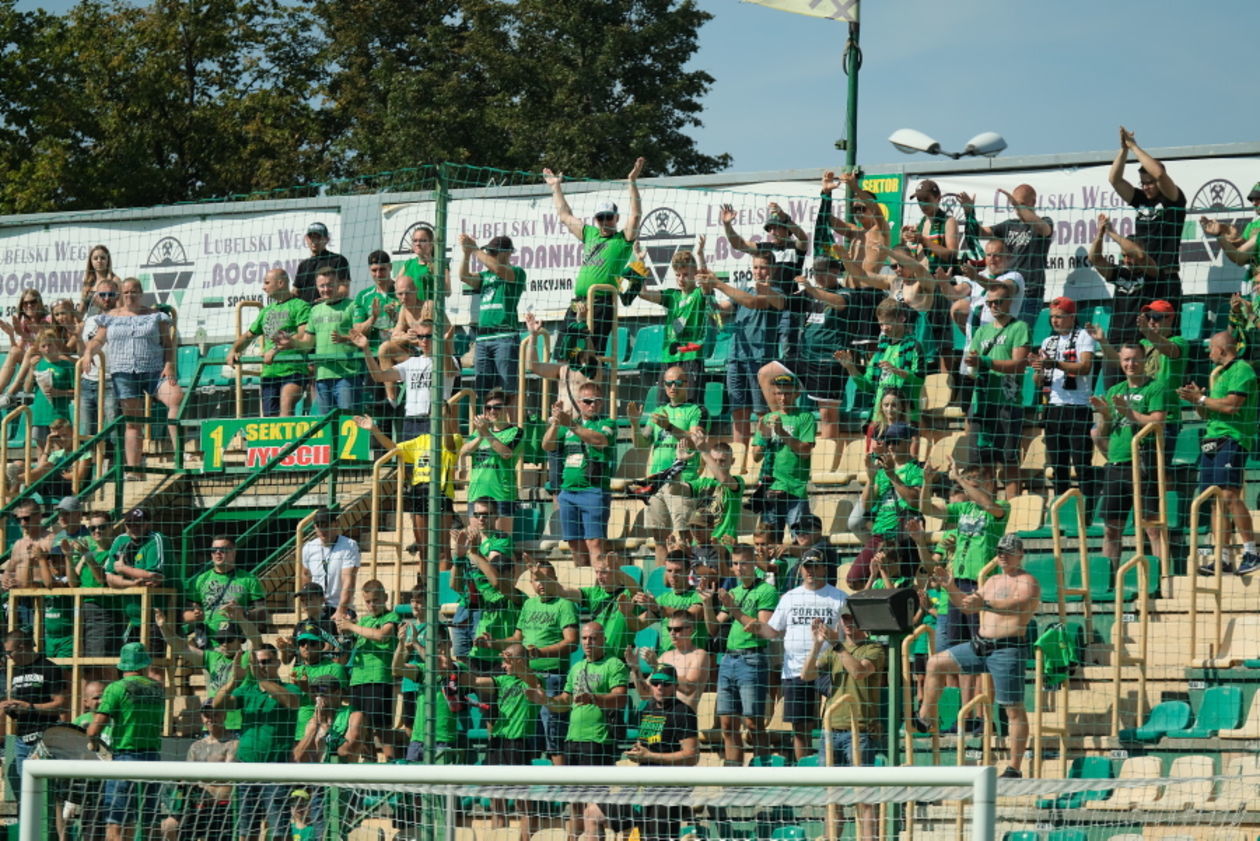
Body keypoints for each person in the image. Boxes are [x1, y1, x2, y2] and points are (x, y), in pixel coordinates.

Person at [918, 534, 1039, 779]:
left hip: (1008, 648)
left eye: (1008, 552)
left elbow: (1017, 605)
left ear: (1020, 554)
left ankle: (1014, 766)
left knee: (1012, 708)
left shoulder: (1028, 582)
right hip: (979, 645)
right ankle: (926, 717)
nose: (1003, 556)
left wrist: (983, 603)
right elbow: (965, 605)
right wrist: (950, 585)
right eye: (1000, 552)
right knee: (935, 662)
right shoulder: (992, 580)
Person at [723, 554, 846, 761]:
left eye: (816, 567)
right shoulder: (790, 597)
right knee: (800, 727)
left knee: (836, 722)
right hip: (795, 669)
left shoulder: (839, 597)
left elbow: (847, 633)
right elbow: (772, 632)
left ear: (825, 569)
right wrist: (755, 626)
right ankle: (804, 774)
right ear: (801, 570)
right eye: (807, 567)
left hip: (829, 668)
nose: (811, 571)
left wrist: (833, 638)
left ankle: (834, 768)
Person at [582, 663, 698, 841]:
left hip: (667, 790)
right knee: (593, 813)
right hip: (642, 786)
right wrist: (638, 751)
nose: (660, 687)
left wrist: (650, 756)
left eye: (666, 684)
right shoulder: (647, 709)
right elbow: (646, 743)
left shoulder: (683, 713)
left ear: (675, 686)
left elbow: (691, 756)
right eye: (656, 682)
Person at [542, 158, 644, 354]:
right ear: (596, 219)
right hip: (579, 302)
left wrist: (632, 182)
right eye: (601, 217)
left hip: (601, 304)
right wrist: (555, 187)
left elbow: (636, 215)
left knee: (589, 356)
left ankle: (591, 383)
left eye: (609, 216)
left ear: (616, 218)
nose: (605, 221)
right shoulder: (590, 233)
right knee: (564, 355)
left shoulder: (622, 239)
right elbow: (565, 216)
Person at [1177, 332, 1260, 575]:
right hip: (1211, 440)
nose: (1208, 353)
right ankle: (1222, 558)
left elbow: (1232, 405)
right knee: (1215, 500)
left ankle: (1252, 551)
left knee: (1229, 495)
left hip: (1232, 439)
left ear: (1222, 349)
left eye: (1211, 348)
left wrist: (1201, 398)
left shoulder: (1242, 369)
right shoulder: (1219, 374)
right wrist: (1197, 402)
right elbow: (1209, 413)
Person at [82, 277, 183, 474]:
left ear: (141, 293)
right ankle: (134, 469)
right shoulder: (110, 317)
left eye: (134, 291)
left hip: (153, 370)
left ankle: (179, 453)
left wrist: (169, 365)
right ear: (121, 294)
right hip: (124, 373)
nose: (130, 295)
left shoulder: (155, 316)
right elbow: (98, 341)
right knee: (132, 423)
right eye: (126, 292)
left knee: (176, 397)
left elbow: (167, 343)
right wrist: (87, 354)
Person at [483, 560, 578, 765]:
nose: (540, 584)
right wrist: (494, 643)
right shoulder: (529, 604)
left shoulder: (564, 605)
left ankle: (561, 791)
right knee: (527, 735)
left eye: (544, 578)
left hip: (551, 677)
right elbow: (518, 639)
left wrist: (541, 653)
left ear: (555, 580)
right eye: (535, 579)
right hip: (523, 679)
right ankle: (528, 790)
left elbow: (572, 642)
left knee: (553, 736)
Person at [802, 613, 884, 841]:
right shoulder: (833, 651)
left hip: (859, 730)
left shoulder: (873, 649)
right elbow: (806, 674)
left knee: (864, 797)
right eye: (845, 620)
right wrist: (816, 645)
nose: (848, 624)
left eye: (853, 619)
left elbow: (858, 672)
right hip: (830, 729)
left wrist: (836, 644)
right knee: (831, 798)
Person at [1090, 343, 1168, 576]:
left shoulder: (1155, 388)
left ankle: (1161, 577)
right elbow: (1104, 432)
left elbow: (1157, 422)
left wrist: (1128, 412)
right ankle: (1108, 579)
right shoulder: (1116, 389)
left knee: (1152, 528)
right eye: (1125, 360)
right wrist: (1104, 415)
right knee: (1111, 529)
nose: (1130, 364)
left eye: (1135, 359)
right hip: (1117, 464)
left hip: (1144, 464)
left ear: (1144, 361)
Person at [212, 645, 300, 841]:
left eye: (266, 662)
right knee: (246, 831)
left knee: (279, 831)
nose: (261, 666)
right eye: (258, 662)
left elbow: (292, 702)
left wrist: (261, 678)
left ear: (277, 663)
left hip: (275, 768)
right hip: (246, 767)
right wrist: (234, 680)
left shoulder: (290, 688)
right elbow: (217, 705)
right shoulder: (247, 690)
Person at [628, 365, 708, 568]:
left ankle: (688, 579)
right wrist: (635, 424)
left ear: (687, 384)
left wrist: (669, 427)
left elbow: (694, 441)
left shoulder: (696, 410)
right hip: (657, 480)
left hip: (681, 479)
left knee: (683, 536)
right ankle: (663, 580)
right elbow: (641, 443)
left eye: (678, 382)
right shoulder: (657, 412)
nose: (673, 387)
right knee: (659, 538)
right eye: (668, 383)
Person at [760, 256, 849, 438]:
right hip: (804, 358)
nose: (818, 276)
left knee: (827, 415)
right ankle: (783, 423)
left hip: (829, 361)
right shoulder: (809, 293)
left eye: (822, 272)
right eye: (815, 272)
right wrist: (768, 291)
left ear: (835, 271)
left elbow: (839, 303)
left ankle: (830, 463)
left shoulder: (845, 293)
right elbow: (783, 303)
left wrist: (811, 288)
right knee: (766, 373)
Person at [354, 411, 462, 560]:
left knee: (442, 549)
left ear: (449, 415)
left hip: (440, 492)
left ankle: (443, 583)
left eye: (443, 412)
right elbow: (394, 448)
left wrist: (444, 419)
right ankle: (425, 583)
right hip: (420, 492)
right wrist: (375, 430)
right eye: (436, 412)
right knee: (423, 549)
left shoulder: (454, 437)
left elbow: (450, 446)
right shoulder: (420, 440)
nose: (438, 416)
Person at [703, 254, 785, 443]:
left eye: (763, 267)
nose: (758, 272)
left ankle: (763, 454)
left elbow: (752, 302)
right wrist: (707, 290)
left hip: (760, 360)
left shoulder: (776, 292)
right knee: (738, 411)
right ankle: (740, 457)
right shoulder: (743, 288)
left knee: (762, 412)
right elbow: (722, 309)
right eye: (755, 267)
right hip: (735, 358)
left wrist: (718, 284)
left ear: (773, 269)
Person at [88, 643, 166, 841]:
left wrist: (93, 742)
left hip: (125, 758)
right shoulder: (158, 688)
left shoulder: (116, 688)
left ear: (123, 665)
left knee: (117, 821)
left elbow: (95, 728)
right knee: (150, 821)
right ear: (144, 664)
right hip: (153, 759)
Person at [710, 544, 778, 766]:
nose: (739, 568)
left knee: (753, 722)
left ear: (754, 564)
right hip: (728, 659)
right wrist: (704, 602)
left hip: (752, 659)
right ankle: (734, 779)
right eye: (735, 563)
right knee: (727, 724)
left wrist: (734, 610)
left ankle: (762, 774)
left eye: (744, 563)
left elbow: (762, 628)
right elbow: (713, 628)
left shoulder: (766, 591)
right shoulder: (734, 593)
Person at [963, 282, 1030, 499]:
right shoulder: (982, 331)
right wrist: (972, 363)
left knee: (1009, 459)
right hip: (982, 401)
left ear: (1009, 301)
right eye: (989, 303)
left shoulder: (1019, 327)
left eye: (998, 302)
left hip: (1007, 402)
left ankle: (1012, 514)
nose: (993, 306)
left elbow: (1019, 364)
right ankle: (989, 511)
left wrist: (986, 362)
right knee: (983, 461)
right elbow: (971, 368)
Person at [1107, 127, 1186, 310]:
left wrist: (1134, 147)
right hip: (1143, 277)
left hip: (1165, 277)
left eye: (1150, 183)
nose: (1146, 187)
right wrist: (1124, 149)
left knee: (1167, 333)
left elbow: (1158, 173)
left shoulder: (1173, 199)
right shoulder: (1141, 199)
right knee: (1143, 332)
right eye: (1143, 183)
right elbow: (1114, 180)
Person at [542, 382, 616, 569]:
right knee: (575, 544)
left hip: (593, 490)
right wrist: (556, 422)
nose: (592, 405)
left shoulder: (606, 423)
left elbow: (599, 440)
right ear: (578, 402)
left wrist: (571, 425)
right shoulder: (566, 426)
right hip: (568, 492)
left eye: (597, 401)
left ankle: (599, 585)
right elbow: (547, 445)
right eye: (587, 401)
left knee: (595, 543)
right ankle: (581, 582)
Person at [1031, 297, 1095, 498]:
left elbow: (1085, 367)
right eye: (1052, 317)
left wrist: (1055, 364)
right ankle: (1061, 509)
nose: (1055, 321)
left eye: (1059, 317)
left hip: (1078, 407)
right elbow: (1039, 381)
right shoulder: (1048, 341)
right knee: (1058, 465)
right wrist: (1039, 369)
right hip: (1054, 408)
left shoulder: (1084, 336)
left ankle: (1087, 509)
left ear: (1071, 316)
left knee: (1081, 463)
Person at [848, 423, 923, 591]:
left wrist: (892, 475)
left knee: (902, 582)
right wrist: (871, 477)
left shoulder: (916, 469)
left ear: (907, 442)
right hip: (881, 534)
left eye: (896, 442)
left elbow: (914, 501)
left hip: (904, 534)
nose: (891, 446)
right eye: (888, 442)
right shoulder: (882, 471)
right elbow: (867, 505)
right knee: (854, 579)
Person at [543, 621, 628, 768]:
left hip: (598, 740)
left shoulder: (614, 664)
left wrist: (593, 698)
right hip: (572, 739)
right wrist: (545, 699)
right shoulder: (577, 667)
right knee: (573, 791)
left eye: (593, 638)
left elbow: (620, 699)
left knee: (596, 790)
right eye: (584, 638)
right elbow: (565, 700)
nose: (588, 642)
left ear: (603, 639)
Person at [964, 185, 1054, 325]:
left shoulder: (1044, 222)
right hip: (1007, 293)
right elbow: (979, 232)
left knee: (1021, 337)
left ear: (1033, 202)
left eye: (1022, 204)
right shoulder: (1009, 225)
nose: (1017, 208)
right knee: (1003, 337)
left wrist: (1017, 207)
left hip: (1030, 293)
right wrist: (969, 213)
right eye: (1014, 203)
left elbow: (1044, 229)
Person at [226, 268, 310, 417]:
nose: (263, 287)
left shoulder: (300, 306)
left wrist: (276, 349)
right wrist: (234, 349)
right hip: (269, 373)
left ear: (280, 283)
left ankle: (288, 441)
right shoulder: (266, 311)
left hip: (294, 370)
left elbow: (303, 335)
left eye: (267, 283)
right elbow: (248, 335)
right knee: (270, 417)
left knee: (286, 402)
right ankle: (278, 441)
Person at [353, 320, 457, 439]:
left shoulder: (448, 359)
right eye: (421, 336)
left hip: (434, 420)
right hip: (410, 421)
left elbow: (449, 370)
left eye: (429, 336)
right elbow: (379, 376)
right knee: (407, 458)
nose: (424, 341)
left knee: (431, 457)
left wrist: (444, 343)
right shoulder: (411, 362)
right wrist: (366, 349)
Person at [334, 579, 401, 761]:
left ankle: (391, 766)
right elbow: (354, 644)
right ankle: (369, 765)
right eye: (368, 601)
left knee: (381, 728)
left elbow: (381, 636)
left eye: (376, 600)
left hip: (379, 678)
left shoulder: (391, 617)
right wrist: (346, 632)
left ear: (386, 598)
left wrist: (352, 627)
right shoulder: (364, 621)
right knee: (362, 728)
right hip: (358, 679)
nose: (372, 605)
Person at [836, 298, 926, 430]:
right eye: (881, 324)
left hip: (906, 418)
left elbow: (919, 381)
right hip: (879, 420)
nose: (884, 329)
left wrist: (896, 370)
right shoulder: (881, 350)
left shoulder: (914, 347)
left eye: (888, 323)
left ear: (902, 319)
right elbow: (867, 386)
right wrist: (851, 368)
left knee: (901, 451)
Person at [459, 235, 526, 410]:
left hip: (505, 335)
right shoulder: (485, 275)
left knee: (508, 389)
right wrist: (466, 254)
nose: (491, 255)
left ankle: (513, 429)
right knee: (483, 389)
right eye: (489, 251)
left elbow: (498, 268)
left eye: (494, 252)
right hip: (482, 338)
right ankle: (485, 429)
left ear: (508, 253)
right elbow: (464, 276)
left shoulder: (516, 272)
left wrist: (474, 249)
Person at [1, 629, 68, 798]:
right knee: (28, 793)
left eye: (9, 652)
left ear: (22, 647)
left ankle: (55, 825)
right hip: (22, 740)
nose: (8, 657)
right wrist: (11, 709)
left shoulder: (49, 668)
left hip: (45, 739)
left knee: (49, 794)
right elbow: (20, 709)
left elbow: (60, 705)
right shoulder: (15, 671)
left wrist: (29, 707)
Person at [750, 373, 815, 539]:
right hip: (771, 489)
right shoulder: (766, 419)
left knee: (801, 540)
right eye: (779, 393)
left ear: (797, 393)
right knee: (769, 543)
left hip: (795, 489)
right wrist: (764, 437)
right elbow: (756, 457)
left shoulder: (805, 417)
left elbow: (805, 451)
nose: (783, 398)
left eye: (787, 393)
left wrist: (781, 432)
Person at [162, 703, 238, 841]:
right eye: (207, 715)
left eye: (216, 714)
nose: (211, 718)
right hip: (197, 807)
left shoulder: (232, 744)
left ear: (224, 715)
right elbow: (187, 778)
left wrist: (202, 783)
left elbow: (228, 779)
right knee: (168, 826)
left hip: (223, 808)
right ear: (202, 717)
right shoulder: (196, 747)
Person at [293, 269, 362, 415]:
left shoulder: (352, 306)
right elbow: (307, 343)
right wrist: (290, 343)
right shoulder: (315, 311)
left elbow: (360, 335)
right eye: (322, 286)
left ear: (339, 284)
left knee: (349, 422)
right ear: (317, 287)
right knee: (325, 426)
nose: (326, 289)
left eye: (330, 285)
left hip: (347, 376)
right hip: (322, 377)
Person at [636, 249, 710, 386]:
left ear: (695, 274)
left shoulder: (699, 294)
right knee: (664, 405)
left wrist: (700, 255)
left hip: (691, 357)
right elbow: (643, 293)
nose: (681, 279)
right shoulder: (671, 296)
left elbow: (706, 282)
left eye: (686, 274)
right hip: (669, 357)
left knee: (691, 403)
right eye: (678, 275)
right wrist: (640, 261)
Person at [103, 507, 170, 649]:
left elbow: (154, 576)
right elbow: (109, 579)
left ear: (148, 523)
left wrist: (123, 569)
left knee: (154, 667)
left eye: (138, 523)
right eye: (129, 524)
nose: (134, 527)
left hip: (158, 615)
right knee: (130, 665)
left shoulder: (156, 539)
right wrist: (133, 584)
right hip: (132, 618)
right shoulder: (120, 540)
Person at [1088, 214, 1159, 347]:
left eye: (1130, 256)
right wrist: (1100, 234)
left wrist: (1112, 233)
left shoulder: (1152, 273)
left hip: (1142, 340)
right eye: (1124, 255)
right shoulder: (1119, 272)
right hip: (1116, 338)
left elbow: (1140, 256)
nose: (1127, 260)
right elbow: (1095, 259)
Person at [458, 390, 522, 536]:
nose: (493, 411)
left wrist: (486, 432)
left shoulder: (515, 432)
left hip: (501, 496)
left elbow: (506, 453)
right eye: (488, 408)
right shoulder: (478, 433)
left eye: (498, 407)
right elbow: (464, 451)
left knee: (500, 544)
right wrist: (481, 434)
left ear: (506, 408)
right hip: (476, 495)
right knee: (477, 543)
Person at [624, 609, 710, 711]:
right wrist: (636, 669)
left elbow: (689, 688)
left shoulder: (699, 655)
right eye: (670, 629)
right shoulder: (665, 656)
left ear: (690, 630)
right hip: (658, 714)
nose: (672, 633)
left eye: (677, 629)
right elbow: (645, 694)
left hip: (681, 718)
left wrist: (657, 667)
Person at [185, 536, 267, 632]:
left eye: (223, 549)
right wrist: (194, 612)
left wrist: (243, 614)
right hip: (208, 640)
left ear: (234, 552)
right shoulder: (200, 580)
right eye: (214, 550)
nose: (218, 553)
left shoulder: (249, 580)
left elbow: (262, 611)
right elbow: (188, 608)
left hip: (237, 639)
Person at [298, 507, 360, 620]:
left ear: (335, 524)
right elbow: (306, 576)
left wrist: (341, 610)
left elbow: (348, 581)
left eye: (326, 525)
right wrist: (311, 604)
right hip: (317, 609)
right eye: (318, 526)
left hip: (339, 607)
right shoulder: (309, 547)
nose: (322, 529)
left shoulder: (349, 545)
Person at [78, 279, 120, 439]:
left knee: (114, 431)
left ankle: (117, 463)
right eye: (102, 294)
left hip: (112, 379)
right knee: (85, 432)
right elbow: (81, 351)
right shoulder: (88, 321)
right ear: (96, 297)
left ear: (118, 296)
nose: (107, 298)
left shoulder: (122, 319)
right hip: (87, 381)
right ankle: (87, 464)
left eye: (111, 294)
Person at [26, 329, 76, 447]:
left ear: (56, 344)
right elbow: (27, 389)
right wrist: (31, 369)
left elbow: (77, 392)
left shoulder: (67, 366)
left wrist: (60, 393)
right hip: (40, 414)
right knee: (41, 450)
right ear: (39, 348)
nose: (47, 348)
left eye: (50, 345)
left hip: (59, 415)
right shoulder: (37, 364)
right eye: (43, 346)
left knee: (59, 451)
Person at [903, 180, 958, 276]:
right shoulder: (920, 225)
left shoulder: (949, 221)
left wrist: (924, 241)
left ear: (938, 198)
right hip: (919, 282)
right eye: (919, 200)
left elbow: (952, 256)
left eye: (926, 199)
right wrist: (903, 240)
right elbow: (910, 260)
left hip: (939, 282)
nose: (922, 204)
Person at [293, 222, 350, 304]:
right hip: (307, 311)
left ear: (327, 239)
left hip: (331, 308)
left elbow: (344, 289)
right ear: (306, 238)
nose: (314, 241)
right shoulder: (303, 265)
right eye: (311, 237)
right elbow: (296, 291)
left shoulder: (338, 260)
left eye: (318, 237)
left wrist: (329, 299)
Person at [396, 223, 448, 308]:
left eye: (422, 240)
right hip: (411, 314)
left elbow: (447, 292)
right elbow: (397, 288)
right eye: (415, 240)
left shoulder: (440, 264)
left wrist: (435, 273)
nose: (418, 244)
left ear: (431, 243)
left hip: (431, 314)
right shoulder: (408, 264)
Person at [80, 244, 122, 317]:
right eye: (95, 258)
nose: (99, 261)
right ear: (91, 262)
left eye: (102, 258)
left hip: (110, 321)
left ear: (108, 260)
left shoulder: (115, 280)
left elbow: (121, 307)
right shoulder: (88, 282)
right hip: (91, 324)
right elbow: (81, 311)